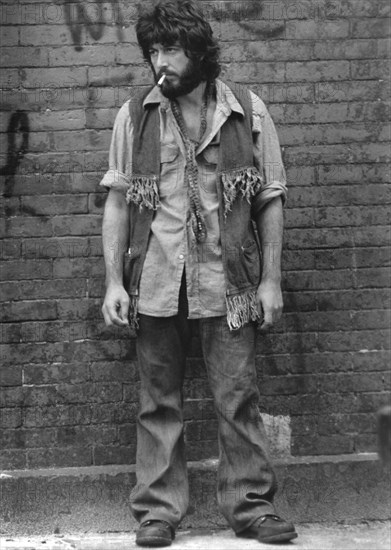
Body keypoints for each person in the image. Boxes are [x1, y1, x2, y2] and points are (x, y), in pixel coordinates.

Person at [100, 0, 297, 546]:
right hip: (156, 281)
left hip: (227, 282)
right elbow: (118, 201)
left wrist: (271, 280)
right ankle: (159, 511)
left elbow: (270, 200)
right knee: (157, 401)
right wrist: (114, 281)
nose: (159, 61)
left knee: (237, 397)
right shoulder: (135, 114)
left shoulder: (248, 112)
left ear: (199, 52)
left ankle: (252, 507)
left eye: (170, 49)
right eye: (152, 51)